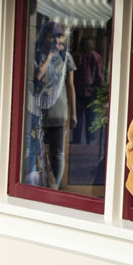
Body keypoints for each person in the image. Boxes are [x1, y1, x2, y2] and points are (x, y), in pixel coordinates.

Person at [26, 21, 77, 189]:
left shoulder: (66, 57)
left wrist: (74, 113)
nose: (56, 41)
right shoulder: (37, 54)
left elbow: (70, 86)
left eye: (58, 37)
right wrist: (49, 55)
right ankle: (38, 184)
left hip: (58, 110)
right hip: (38, 110)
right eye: (52, 37)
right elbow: (37, 76)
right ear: (45, 37)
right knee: (36, 149)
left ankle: (55, 188)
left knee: (57, 153)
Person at [72, 36, 103, 145]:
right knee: (90, 119)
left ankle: (76, 140)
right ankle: (90, 140)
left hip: (77, 91)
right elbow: (99, 76)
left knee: (78, 118)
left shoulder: (76, 56)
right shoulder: (96, 57)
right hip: (91, 91)